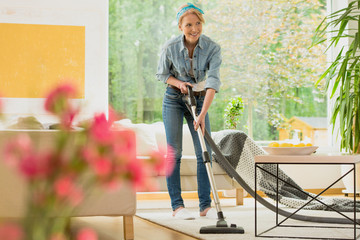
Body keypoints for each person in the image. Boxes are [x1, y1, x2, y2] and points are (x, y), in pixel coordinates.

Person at [156, 3, 222, 220]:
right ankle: (177, 207)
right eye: (188, 25)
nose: (194, 29)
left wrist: (202, 114)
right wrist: (179, 83)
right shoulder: (170, 47)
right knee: (174, 153)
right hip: (174, 99)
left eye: (197, 23)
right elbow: (162, 74)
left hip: (200, 100)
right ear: (180, 27)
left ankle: (206, 206)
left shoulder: (212, 48)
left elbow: (212, 83)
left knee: (205, 151)